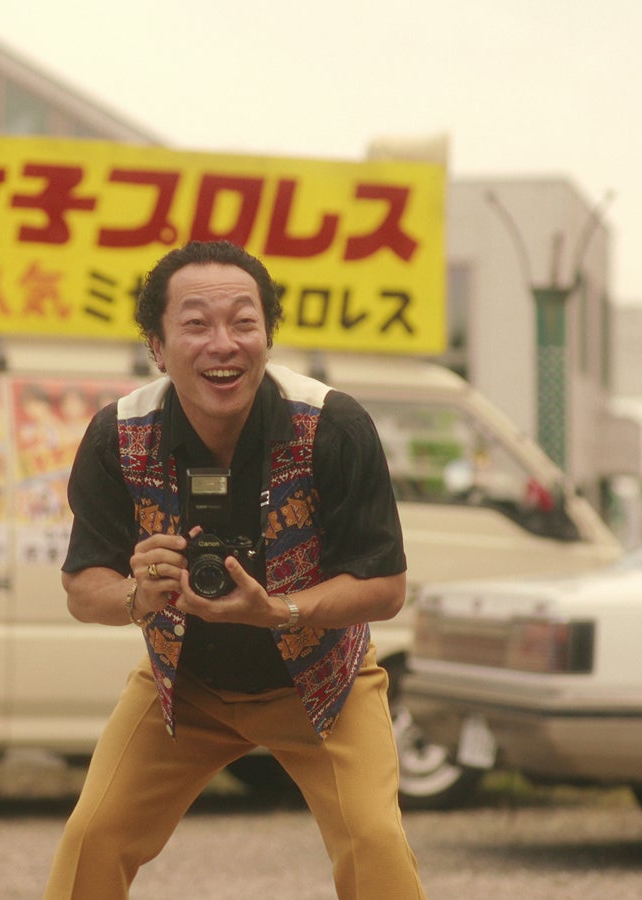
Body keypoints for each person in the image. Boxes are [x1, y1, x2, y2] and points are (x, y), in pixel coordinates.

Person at [43, 241, 425, 899]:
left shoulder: (332, 426)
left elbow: (386, 587)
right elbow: (84, 589)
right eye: (196, 324)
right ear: (157, 348)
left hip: (322, 681)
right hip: (184, 683)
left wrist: (283, 610)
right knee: (93, 837)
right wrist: (139, 595)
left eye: (243, 322)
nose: (224, 343)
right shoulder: (118, 434)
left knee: (376, 843)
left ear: (268, 337)